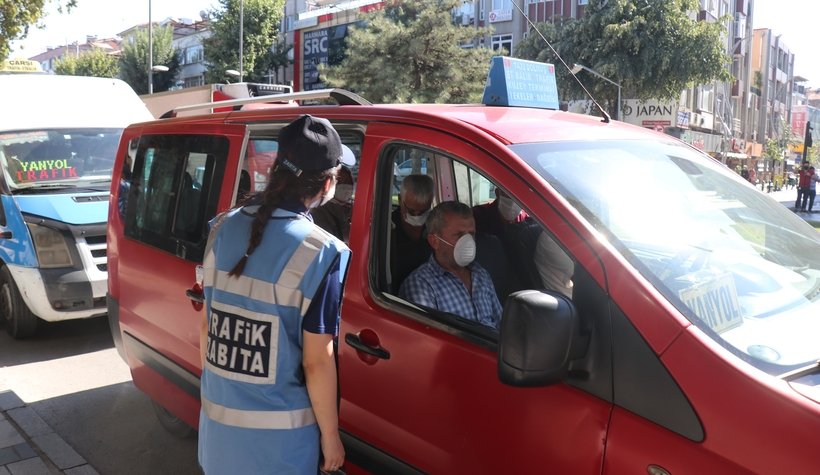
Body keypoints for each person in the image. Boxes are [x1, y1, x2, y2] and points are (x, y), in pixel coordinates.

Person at [198, 115, 354, 474]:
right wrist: (330, 437)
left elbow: (208, 329)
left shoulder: (221, 227)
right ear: (328, 183)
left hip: (218, 438)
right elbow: (316, 362)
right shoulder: (321, 252)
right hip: (279, 452)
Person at [399, 201, 502, 329]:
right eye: (459, 235)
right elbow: (428, 342)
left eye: (471, 234)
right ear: (434, 241)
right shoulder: (420, 285)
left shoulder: (480, 274)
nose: (468, 242)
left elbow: (501, 325)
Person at [391, 174, 435, 291]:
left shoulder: (436, 227)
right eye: (411, 211)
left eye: (423, 211)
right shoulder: (387, 228)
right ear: (400, 200)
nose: (417, 216)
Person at [312, 165, 354, 242]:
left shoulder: (351, 209)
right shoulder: (319, 212)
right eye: (341, 182)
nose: (346, 186)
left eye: (349, 182)